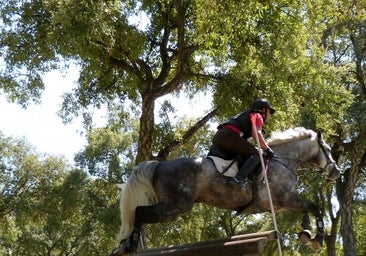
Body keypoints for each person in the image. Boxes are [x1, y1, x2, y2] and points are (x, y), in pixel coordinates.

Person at [208, 99, 275, 190]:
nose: (270, 115)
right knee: (256, 154)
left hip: (220, 136)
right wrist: (267, 149)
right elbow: (257, 134)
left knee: (245, 154)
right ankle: (238, 180)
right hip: (228, 136)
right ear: (263, 110)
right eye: (269, 112)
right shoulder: (257, 115)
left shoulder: (247, 115)